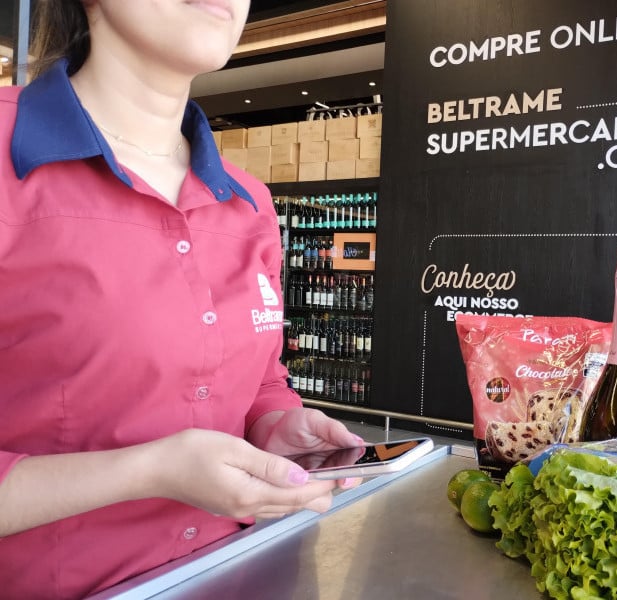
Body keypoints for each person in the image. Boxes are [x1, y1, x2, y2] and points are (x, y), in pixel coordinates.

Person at [0, 1, 363, 598]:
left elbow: (262, 381)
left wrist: (274, 424)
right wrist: (148, 471)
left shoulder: (249, 203)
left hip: (236, 575)